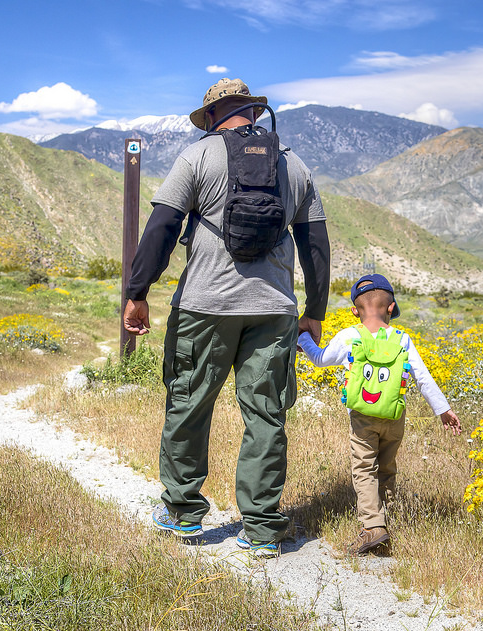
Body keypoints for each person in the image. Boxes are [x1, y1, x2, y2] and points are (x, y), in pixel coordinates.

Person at [123, 77, 330, 558]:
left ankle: (182, 513)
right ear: (255, 112)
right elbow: (316, 245)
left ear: (213, 115)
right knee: (266, 414)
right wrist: (314, 313)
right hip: (273, 310)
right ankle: (259, 527)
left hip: (205, 306)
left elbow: (161, 227)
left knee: (189, 404)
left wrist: (138, 293)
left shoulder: (197, 157)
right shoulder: (293, 163)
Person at [297, 274, 461, 554]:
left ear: (354, 311)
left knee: (364, 469)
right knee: (386, 466)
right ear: (391, 308)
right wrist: (443, 409)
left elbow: (321, 359)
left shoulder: (350, 336)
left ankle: (373, 527)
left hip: (362, 417)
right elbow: (423, 378)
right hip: (395, 416)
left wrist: (303, 339)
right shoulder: (403, 339)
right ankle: (388, 515)